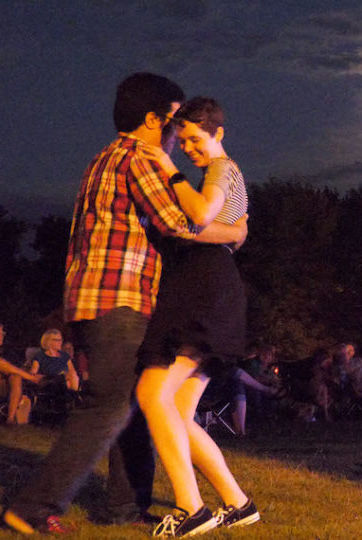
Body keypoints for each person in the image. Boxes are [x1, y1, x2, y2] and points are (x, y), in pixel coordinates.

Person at [0, 73, 247, 535]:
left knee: (132, 400)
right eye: (174, 122)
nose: (177, 135)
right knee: (108, 406)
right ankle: (31, 508)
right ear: (153, 120)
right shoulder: (140, 157)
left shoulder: (105, 156)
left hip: (97, 296)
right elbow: (179, 223)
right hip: (119, 297)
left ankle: (124, 506)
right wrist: (234, 233)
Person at [134, 96, 259, 536]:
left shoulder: (222, 170)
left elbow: (202, 216)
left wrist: (168, 170)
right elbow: (231, 232)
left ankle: (192, 511)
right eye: (181, 140)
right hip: (215, 287)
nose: (188, 147)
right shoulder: (225, 175)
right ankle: (238, 504)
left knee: (153, 393)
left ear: (217, 132)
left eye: (194, 138)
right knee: (180, 414)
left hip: (204, 290)